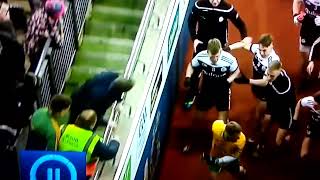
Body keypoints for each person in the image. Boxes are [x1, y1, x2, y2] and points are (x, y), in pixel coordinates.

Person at [184, 0, 248, 110]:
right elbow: (191, 21)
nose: (215, 1)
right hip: (202, 44)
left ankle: (223, 93)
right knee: (196, 70)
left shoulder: (227, 8)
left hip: (221, 46)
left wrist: (244, 37)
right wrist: (194, 39)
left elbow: (241, 24)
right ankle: (192, 93)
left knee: (224, 70)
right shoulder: (199, 6)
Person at [183, 38, 240, 152]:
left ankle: (217, 147)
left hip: (222, 91)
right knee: (197, 119)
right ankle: (191, 142)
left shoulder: (229, 59)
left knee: (222, 124)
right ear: (207, 52)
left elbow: (237, 72)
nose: (215, 59)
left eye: (217, 56)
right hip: (206, 90)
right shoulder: (201, 56)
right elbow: (191, 65)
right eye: (212, 57)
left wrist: (228, 80)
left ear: (220, 51)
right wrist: (188, 77)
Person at [229, 34, 281, 155]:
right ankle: (260, 131)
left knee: (263, 117)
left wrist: (246, 81)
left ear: (271, 46)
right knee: (260, 114)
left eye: (264, 50)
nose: (262, 52)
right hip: (258, 88)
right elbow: (244, 45)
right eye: (261, 49)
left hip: (269, 91)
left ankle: (260, 141)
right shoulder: (258, 49)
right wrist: (229, 48)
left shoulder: (273, 61)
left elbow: (265, 82)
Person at [244, 61, 297, 151]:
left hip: (285, 111)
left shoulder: (284, 84)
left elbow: (271, 89)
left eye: (271, 76)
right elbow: (266, 82)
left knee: (278, 142)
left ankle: (289, 134)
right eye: (268, 74)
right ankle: (261, 144)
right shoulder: (272, 73)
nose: (268, 77)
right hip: (273, 104)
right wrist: (248, 81)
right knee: (264, 123)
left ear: (280, 71)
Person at [59, 109, 120, 178]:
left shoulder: (63, 128)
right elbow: (110, 153)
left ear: (78, 118)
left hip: (57, 166)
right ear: (92, 124)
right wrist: (115, 141)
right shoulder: (93, 140)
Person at [70, 71, 134, 126]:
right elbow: (95, 115)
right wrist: (107, 123)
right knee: (75, 122)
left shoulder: (112, 75)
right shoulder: (102, 97)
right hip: (79, 104)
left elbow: (118, 89)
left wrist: (119, 101)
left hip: (83, 92)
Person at [25, 0, 65, 72]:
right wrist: (61, 32)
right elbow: (59, 43)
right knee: (36, 67)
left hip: (29, 41)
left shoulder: (40, 11)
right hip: (35, 49)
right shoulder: (49, 25)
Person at [292, 0, 320, 86]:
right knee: (305, 51)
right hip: (308, 24)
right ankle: (307, 66)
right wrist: (295, 15)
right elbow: (297, 1)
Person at [293, 91, 320, 159]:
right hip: (314, 122)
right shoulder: (310, 101)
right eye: (314, 101)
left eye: (316, 102)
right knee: (308, 137)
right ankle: (303, 159)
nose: (313, 103)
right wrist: (295, 119)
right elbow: (299, 102)